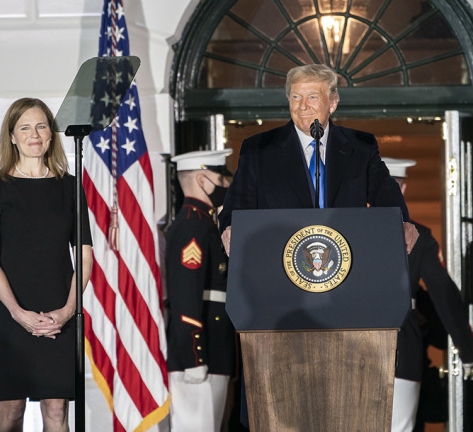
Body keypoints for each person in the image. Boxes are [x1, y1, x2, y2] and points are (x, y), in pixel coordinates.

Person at [0, 98, 93, 432]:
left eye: (41, 126)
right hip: (10, 312)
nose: (35, 134)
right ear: (12, 136)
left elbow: (84, 255)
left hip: (61, 311)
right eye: (25, 127)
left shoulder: (70, 187)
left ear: (51, 134)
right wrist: (17, 312)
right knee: (11, 411)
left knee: (56, 411)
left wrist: (68, 311)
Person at [218, 64, 418, 255]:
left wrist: (401, 221)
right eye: (296, 97)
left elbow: (385, 193)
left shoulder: (360, 146)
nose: (303, 106)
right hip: (279, 262)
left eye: (312, 97)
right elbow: (235, 206)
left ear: (333, 103)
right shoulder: (259, 149)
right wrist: (230, 228)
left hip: (345, 263)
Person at [382, 158, 473, 432]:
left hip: (351, 346)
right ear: (403, 189)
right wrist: (470, 352)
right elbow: (445, 297)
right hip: (402, 346)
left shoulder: (347, 232)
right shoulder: (421, 238)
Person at [165, 149, 237, 432]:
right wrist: (195, 356)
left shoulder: (206, 223)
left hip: (214, 346)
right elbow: (186, 295)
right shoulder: (192, 227)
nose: (227, 185)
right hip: (198, 352)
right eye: (221, 177)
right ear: (203, 179)